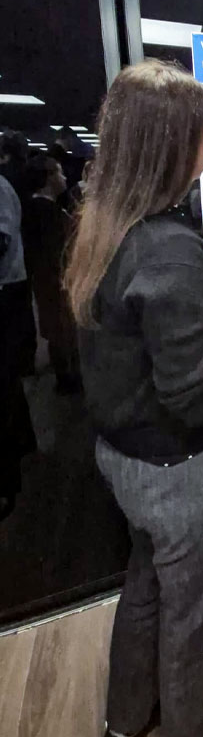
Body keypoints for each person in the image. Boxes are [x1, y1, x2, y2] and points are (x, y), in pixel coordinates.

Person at [64, 60, 203, 737]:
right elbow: (201, 391)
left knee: (149, 583)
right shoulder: (168, 251)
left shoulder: (101, 229)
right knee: (201, 611)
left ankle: (127, 719)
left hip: (130, 462)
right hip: (188, 470)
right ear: (173, 145)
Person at [22, 155, 81, 393]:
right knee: (61, 329)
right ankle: (67, 378)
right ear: (47, 178)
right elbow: (57, 252)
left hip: (48, 281)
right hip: (56, 282)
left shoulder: (40, 208)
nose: (64, 177)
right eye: (59, 172)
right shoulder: (46, 212)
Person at [0, 173, 37, 521]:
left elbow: (2, 238)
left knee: (5, 379)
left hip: (7, 290)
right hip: (9, 287)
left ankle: (7, 478)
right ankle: (23, 444)